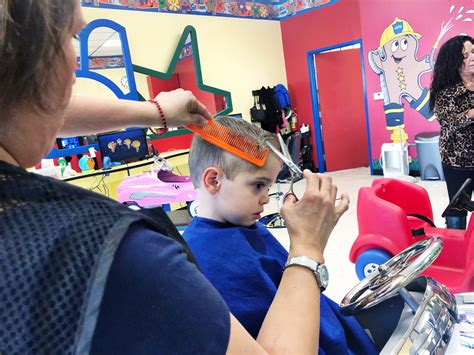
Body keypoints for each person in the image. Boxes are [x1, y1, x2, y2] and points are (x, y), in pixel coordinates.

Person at [0, 0, 347, 353]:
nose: (76, 61)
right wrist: (306, 246)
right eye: (71, 38)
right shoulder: (123, 253)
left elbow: (32, 102)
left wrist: (156, 113)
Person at [183, 116, 378, 354]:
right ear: (214, 181)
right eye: (258, 185)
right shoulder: (207, 258)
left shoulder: (249, 226)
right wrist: (308, 244)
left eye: (269, 186)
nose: (266, 198)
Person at [429, 35, 474, 230]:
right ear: (454, 61)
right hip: (458, 162)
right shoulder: (446, 91)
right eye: (465, 55)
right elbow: (448, 123)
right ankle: (456, 251)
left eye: (473, 52)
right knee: (457, 210)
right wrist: (471, 114)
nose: (472, 57)